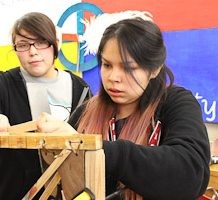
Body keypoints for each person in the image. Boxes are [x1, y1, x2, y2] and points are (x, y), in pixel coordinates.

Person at [37, 17, 210, 200]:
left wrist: (95, 148)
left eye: (128, 68)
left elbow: (191, 174)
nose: (113, 77)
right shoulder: (86, 112)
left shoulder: (175, 103)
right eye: (107, 65)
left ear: (155, 69)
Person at [0, 12, 92, 200]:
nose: (33, 51)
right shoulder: (2, 84)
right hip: (13, 192)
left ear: (56, 43)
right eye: (23, 45)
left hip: (68, 191)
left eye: (41, 42)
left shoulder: (79, 88)